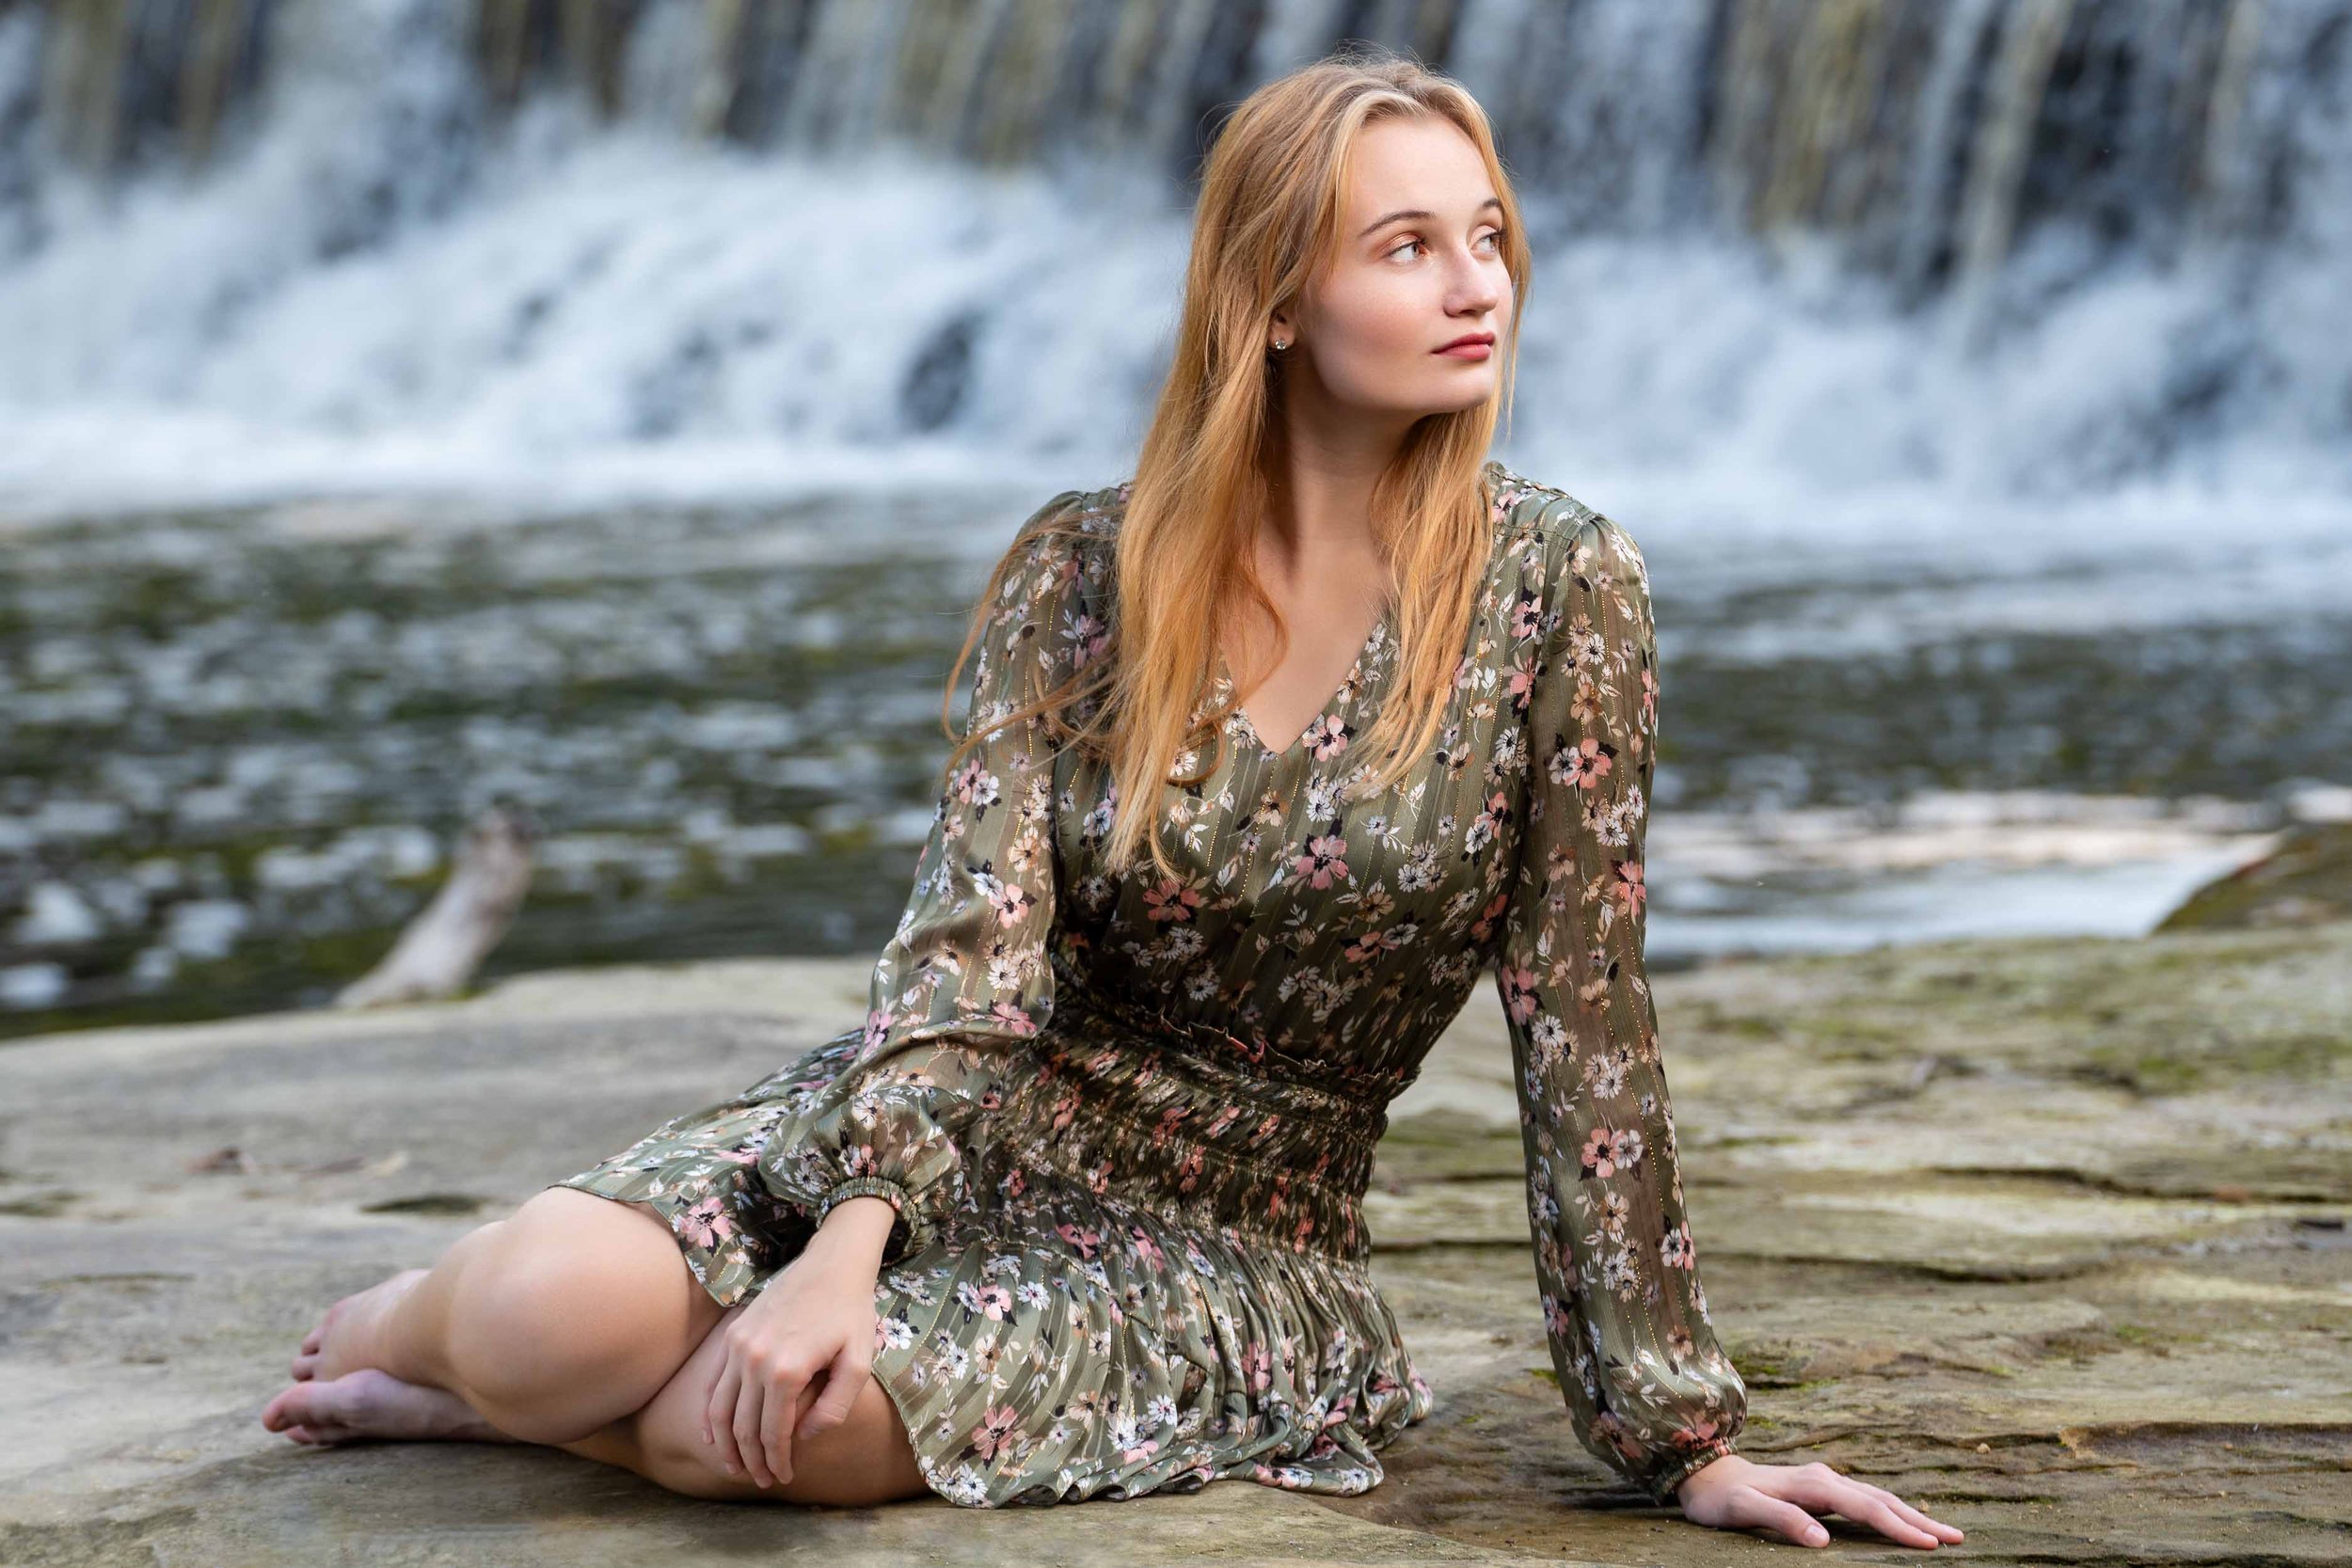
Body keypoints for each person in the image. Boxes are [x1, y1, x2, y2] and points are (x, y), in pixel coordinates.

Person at [261, 46, 1962, 1552]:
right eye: (1409, 245)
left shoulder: (1560, 587)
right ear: (1275, 301)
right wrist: (858, 1233)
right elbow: (969, 951)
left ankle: (521, 1401)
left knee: (759, 1429)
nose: (1478, 287)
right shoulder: (1085, 568)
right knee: (562, 1309)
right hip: (957, 1112)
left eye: (1489, 236)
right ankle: (452, 1336)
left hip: (1228, 1237)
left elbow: (1585, 1020)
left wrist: (1682, 1439)